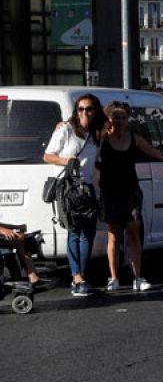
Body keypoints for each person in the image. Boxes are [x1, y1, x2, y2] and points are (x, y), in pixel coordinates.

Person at [97, 101, 163, 292]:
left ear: (127, 119)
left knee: (133, 234)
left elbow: (159, 155)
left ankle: (138, 277)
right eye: (116, 117)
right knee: (113, 235)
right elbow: (83, 139)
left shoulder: (134, 139)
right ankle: (113, 278)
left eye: (123, 117)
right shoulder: (102, 139)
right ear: (109, 118)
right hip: (110, 192)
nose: (119, 121)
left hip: (131, 191)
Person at [43, 92, 104, 297]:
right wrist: (68, 161)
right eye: (80, 109)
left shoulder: (97, 133)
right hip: (67, 188)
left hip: (87, 189)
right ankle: (77, 278)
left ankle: (81, 278)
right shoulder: (66, 130)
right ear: (76, 112)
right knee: (74, 233)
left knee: (88, 235)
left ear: (95, 111)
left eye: (88, 109)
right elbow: (47, 155)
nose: (84, 113)